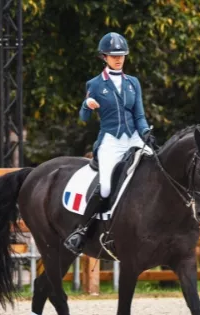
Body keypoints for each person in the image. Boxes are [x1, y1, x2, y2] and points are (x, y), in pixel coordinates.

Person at [63, 32, 154, 255]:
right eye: (114, 55)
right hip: (111, 141)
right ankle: (81, 231)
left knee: (156, 170)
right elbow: (84, 118)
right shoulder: (94, 84)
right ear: (104, 56)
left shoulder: (133, 83)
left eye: (122, 55)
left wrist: (145, 132)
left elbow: (139, 115)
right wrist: (87, 105)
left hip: (133, 137)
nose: (118, 59)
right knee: (104, 187)